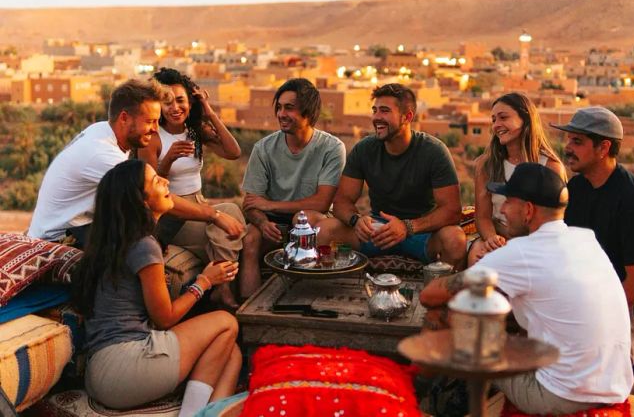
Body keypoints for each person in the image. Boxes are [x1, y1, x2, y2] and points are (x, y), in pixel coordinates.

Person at [421, 163, 633, 415]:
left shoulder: (521, 253)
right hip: (612, 384)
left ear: (528, 210)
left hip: (561, 395)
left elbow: (430, 294)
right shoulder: (585, 239)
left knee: (447, 317)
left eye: (509, 201)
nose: (502, 210)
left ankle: (436, 399)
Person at [73, 159, 241, 416]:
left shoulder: (113, 242)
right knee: (227, 322)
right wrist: (205, 282)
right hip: (126, 366)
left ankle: (209, 412)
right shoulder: (143, 245)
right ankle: (191, 414)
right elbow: (164, 318)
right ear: (141, 201)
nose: (165, 181)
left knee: (231, 353)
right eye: (155, 181)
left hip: (100, 372)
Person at [28, 79, 245, 250]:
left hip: (84, 229)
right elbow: (152, 196)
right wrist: (213, 215)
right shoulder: (101, 153)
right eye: (150, 121)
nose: (154, 129)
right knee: (144, 253)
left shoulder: (103, 130)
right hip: (59, 239)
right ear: (124, 118)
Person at [552, 106, 634, 400]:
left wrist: (590, 318)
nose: (567, 148)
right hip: (590, 301)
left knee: (576, 368)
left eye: (577, 141)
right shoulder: (576, 189)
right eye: (569, 140)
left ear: (604, 147)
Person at [317, 83, 466, 268]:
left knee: (455, 240)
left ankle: (440, 292)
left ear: (408, 116)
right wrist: (356, 220)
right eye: (375, 110)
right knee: (323, 231)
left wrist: (407, 227)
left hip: (421, 231)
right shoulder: (364, 149)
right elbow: (342, 202)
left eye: (385, 111)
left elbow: (452, 210)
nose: (377, 117)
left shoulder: (433, 151)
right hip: (377, 230)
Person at [139, 68, 247, 307]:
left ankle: (223, 288)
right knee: (228, 224)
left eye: (180, 100)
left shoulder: (195, 131)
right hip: (173, 214)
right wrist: (167, 161)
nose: (175, 108)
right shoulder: (154, 137)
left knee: (231, 213)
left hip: (199, 206)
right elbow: (149, 190)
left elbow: (233, 152)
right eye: (166, 102)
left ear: (190, 102)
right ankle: (225, 289)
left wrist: (209, 113)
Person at [240, 78, 345, 297]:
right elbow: (251, 204)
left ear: (308, 112)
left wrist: (270, 204)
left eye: (289, 108)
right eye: (279, 107)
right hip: (272, 220)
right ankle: (247, 309)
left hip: (312, 218)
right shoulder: (264, 148)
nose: (281, 114)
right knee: (250, 239)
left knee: (302, 219)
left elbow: (322, 202)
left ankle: (305, 296)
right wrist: (263, 221)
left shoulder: (331, 148)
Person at [469, 92, 566, 265]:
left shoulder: (550, 167)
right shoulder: (487, 165)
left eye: (503, 117)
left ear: (526, 119)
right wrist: (492, 239)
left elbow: (554, 220)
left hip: (536, 242)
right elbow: (482, 216)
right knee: (478, 255)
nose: (497, 125)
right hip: (498, 237)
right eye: (493, 120)